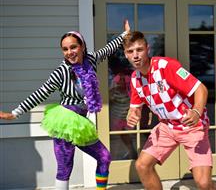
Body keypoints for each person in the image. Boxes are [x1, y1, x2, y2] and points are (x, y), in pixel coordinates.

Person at [0, 20, 130, 190]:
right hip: (65, 121)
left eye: (73, 47)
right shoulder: (60, 72)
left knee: (104, 157)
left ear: (82, 46)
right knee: (65, 168)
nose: (70, 52)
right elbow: (40, 93)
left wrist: (125, 34)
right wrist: (15, 113)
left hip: (81, 124)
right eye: (65, 49)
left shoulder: (91, 60)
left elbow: (108, 49)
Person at [123, 31, 216, 190]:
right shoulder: (135, 78)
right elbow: (135, 109)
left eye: (139, 49)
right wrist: (132, 115)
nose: (135, 55)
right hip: (167, 127)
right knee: (142, 165)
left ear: (148, 48)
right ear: (125, 55)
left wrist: (196, 112)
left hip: (192, 126)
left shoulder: (166, 66)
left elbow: (201, 89)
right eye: (130, 51)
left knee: (203, 183)